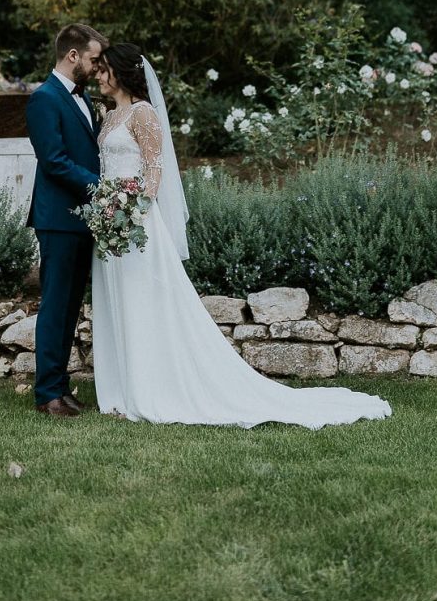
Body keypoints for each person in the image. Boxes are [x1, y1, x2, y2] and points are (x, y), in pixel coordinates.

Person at [91, 42, 393, 429]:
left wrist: (131, 212)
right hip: (111, 226)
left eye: (104, 70)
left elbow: (153, 172)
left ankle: (153, 388)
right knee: (120, 302)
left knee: (145, 302)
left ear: (121, 71)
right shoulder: (109, 116)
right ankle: (124, 389)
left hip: (137, 226)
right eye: (97, 70)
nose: (98, 76)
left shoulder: (143, 113)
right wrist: (105, 210)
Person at [25, 23, 107, 418]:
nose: (96, 67)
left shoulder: (84, 99)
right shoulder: (44, 99)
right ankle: (47, 395)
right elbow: (54, 162)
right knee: (56, 305)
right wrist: (103, 187)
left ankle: (60, 386)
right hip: (58, 218)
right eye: (92, 59)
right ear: (72, 55)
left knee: (71, 307)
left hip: (81, 217)